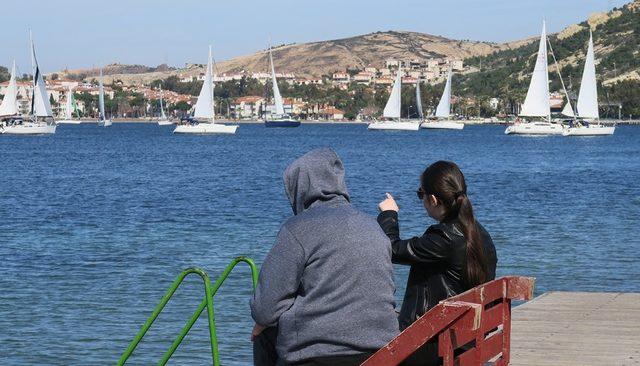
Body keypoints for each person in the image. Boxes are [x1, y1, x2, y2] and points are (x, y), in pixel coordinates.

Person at [251, 147, 399, 366]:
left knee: (263, 334)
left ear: (298, 188)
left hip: (317, 355)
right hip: (381, 349)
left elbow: (265, 309)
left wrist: (264, 322)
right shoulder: (373, 226)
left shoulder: (297, 229)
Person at [377, 161, 497, 366]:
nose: (421, 199)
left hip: (436, 344)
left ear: (433, 199)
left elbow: (391, 249)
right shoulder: (480, 233)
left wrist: (389, 214)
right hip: (463, 340)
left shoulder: (444, 237)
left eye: (420, 194)